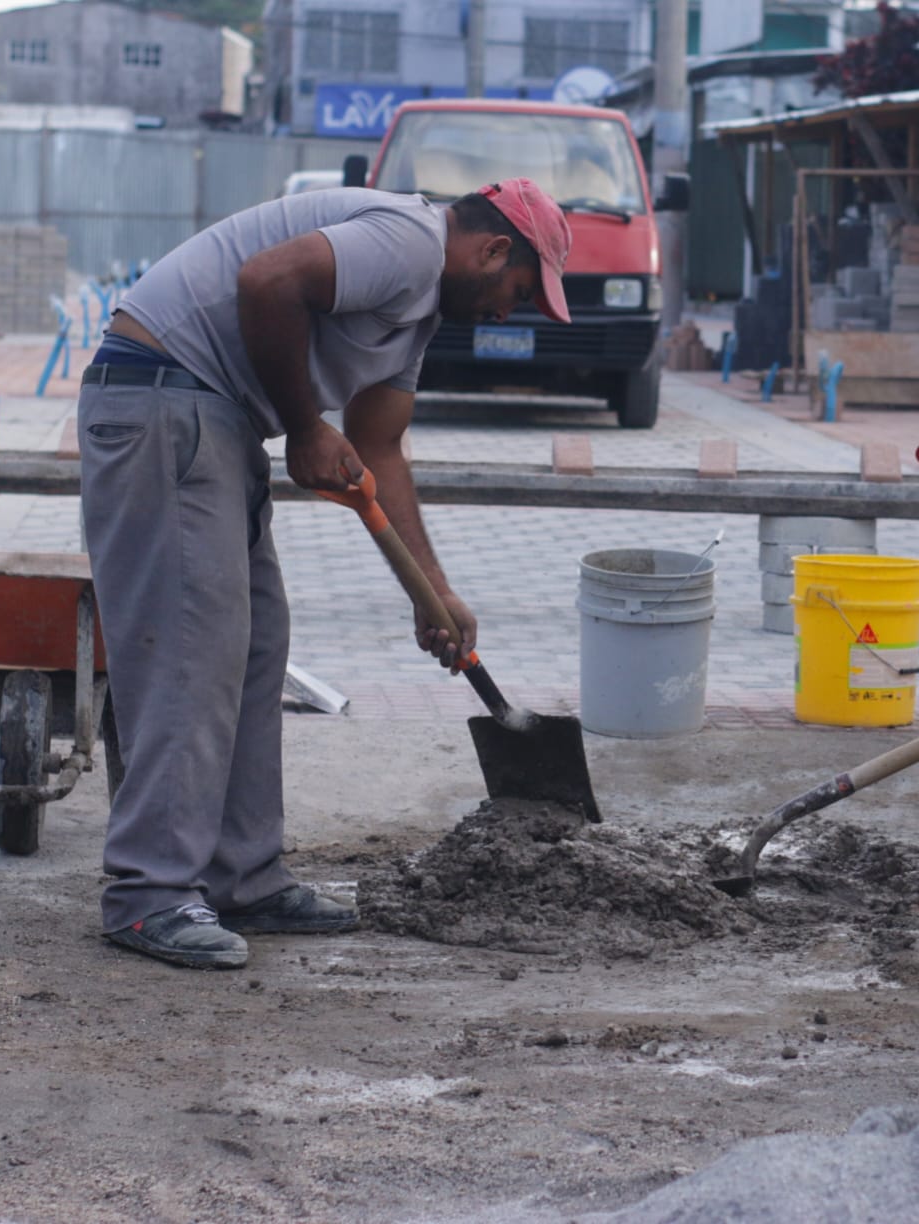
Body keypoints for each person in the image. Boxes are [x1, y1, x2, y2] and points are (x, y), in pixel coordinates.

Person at [79, 180, 573, 969]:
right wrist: (306, 429)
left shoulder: (417, 318)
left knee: (256, 645)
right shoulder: (410, 242)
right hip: (161, 397)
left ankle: (243, 877)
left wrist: (433, 591)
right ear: (494, 249)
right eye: (520, 292)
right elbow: (267, 280)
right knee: (192, 650)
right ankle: (148, 895)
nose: (512, 312)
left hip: (215, 416)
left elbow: (378, 447)